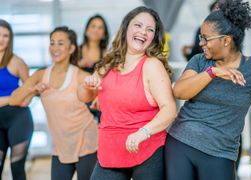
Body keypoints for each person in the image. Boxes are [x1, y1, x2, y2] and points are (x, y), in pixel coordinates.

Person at [165, 0, 251, 180]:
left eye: (206, 38)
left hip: (221, 152)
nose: (202, 43)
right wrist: (212, 72)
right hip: (181, 142)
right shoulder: (200, 61)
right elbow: (179, 91)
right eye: (201, 37)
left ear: (226, 40)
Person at [78, 6, 176, 180]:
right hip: (110, 152)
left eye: (150, 29)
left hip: (147, 149)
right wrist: (87, 85)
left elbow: (169, 109)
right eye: (138, 25)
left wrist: (143, 132)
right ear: (126, 29)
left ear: (153, 37)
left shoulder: (152, 65)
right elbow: (84, 97)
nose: (143, 32)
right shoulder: (108, 63)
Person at [10, 26, 98, 180]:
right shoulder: (41, 75)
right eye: (52, 43)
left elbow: (100, 97)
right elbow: (14, 99)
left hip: (87, 142)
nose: (55, 48)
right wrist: (33, 89)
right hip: (60, 147)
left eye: (60, 43)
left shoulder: (80, 75)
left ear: (71, 48)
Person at [0, 19, 33, 180]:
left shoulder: (17, 62)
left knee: (17, 168)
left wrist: (25, 97)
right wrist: (12, 98)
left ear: (10, 39)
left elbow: (30, 91)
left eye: (5, 36)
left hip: (19, 119)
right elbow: (16, 97)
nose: (1, 40)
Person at [79, 14, 110, 121]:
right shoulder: (75, 52)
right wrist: (79, 65)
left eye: (100, 27)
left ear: (104, 34)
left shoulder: (107, 54)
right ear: (87, 30)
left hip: (99, 97)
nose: (96, 30)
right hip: (79, 97)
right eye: (93, 26)